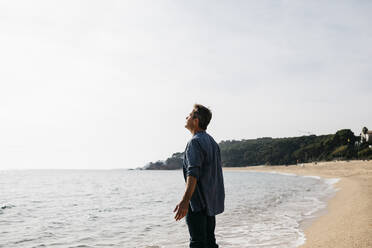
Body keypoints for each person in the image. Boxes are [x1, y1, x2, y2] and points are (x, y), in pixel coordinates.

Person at [173, 104, 225, 248]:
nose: (186, 117)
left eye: (189, 115)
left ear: (196, 120)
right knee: (209, 242)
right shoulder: (213, 143)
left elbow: (193, 173)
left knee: (197, 243)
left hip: (197, 204)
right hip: (210, 204)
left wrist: (185, 201)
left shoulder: (194, 142)